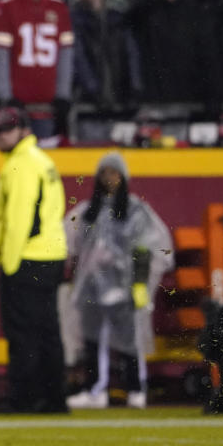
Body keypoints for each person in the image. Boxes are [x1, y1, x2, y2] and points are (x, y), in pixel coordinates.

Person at [64, 153, 173, 409]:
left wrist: (139, 282)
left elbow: (150, 246)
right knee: (90, 341)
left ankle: (135, 389)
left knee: (127, 341)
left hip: (123, 287)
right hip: (92, 286)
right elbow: (72, 243)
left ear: (123, 177)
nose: (109, 178)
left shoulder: (136, 211)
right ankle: (94, 390)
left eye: (114, 173)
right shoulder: (87, 211)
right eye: (104, 173)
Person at [0, 105, 68, 413]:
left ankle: (24, 398)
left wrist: (8, 263)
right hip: (50, 255)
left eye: (7, 129)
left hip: (27, 258)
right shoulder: (41, 160)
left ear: (23, 130)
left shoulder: (20, 164)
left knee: (23, 333)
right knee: (48, 331)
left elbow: (19, 218)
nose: (0, 135)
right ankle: (53, 398)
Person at [0, 0, 73, 143]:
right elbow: (0, 57)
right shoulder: (6, 6)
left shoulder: (58, 7)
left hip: (49, 108)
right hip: (17, 107)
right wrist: (6, 98)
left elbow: (65, 56)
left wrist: (63, 95)